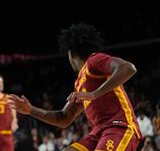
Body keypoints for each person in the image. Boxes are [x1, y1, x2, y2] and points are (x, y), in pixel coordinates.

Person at [9, 24, 141, 151]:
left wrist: (94, 94)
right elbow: (63, 118)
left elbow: (128, 68)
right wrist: (31, 110)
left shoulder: (94, 60)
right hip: (97, 134)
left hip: (119, 127)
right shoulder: (79, 83)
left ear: (70, 53)